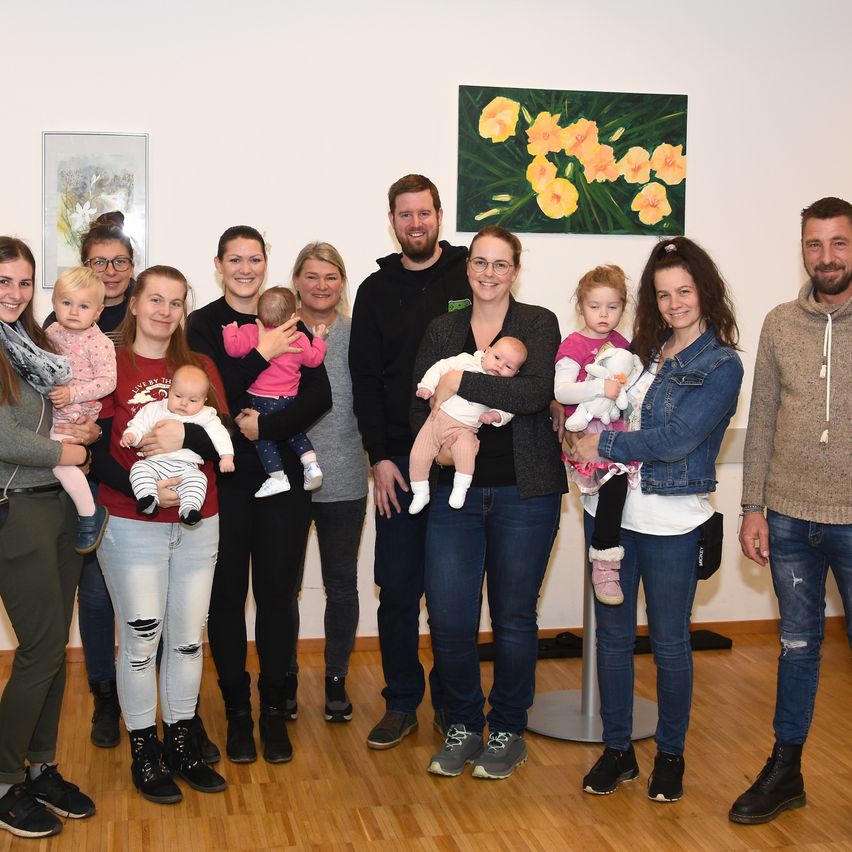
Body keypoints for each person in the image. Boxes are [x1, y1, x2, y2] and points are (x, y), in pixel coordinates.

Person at [571, 237, 742, 803]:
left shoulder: (721, 364)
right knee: (614, 643)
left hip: (674, 523)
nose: (674, 304)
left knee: (670, 645)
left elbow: (677, 440)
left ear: (705, 292)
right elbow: (602, 401)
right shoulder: (643, 351)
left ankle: (671, 756)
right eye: (664, 294)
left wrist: (605, 441)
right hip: (613, 517)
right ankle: (618, 751)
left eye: (684, 291)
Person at [415, 226, 566, 780]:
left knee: (513, 618)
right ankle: (461, 724)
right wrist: (440, 447)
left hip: (525, 494)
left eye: (500, 264)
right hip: (456, 495)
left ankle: (506, 729)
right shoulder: (442, 329)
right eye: (480, 262)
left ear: (515, 270)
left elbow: (533, 393)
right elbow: (420, 404)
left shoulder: (537, 323)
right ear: (468, 267)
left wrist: (462, 382)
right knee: (451, 618)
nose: (488, 273)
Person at [186, 226, 331, 764]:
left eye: (254, 259)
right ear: (218, 264)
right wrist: (261, 353)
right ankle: (238, 714)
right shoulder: (202, 325)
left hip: (281, 477)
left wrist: (264, 431)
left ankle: (274, 711)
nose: (245, 269)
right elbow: (205, 395)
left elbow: (319, 393)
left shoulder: (290, 316)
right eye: (234, 260)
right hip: (224, 478)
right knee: (225, 597)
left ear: (265, 264)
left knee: (275, 595)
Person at [729, 196, 852, 825]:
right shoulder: (779, 322)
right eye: (814, 244)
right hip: (790, 518)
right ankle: (786, 772)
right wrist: (752, 506)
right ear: (801, 248)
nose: (825, 257)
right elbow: (762, 422)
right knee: (797, 645)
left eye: (838, 243)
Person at [93, 265, 229, 804]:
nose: (164, 310)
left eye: (176, 302)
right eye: (155, 299)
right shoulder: (111, 363)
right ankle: (144, 748)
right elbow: (99, 448)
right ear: (133, 302)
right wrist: (142, 484)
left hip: (199, 521)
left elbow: (221, 441)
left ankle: (182, 740)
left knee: (190, 639)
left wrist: (187, 432)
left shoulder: (200, 366)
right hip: (132, 522)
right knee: (142, 640)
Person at [349, 173, 471, 749]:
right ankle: (401, 702)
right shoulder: (375, 289)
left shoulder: (471, 273)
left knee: (452, 593)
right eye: (405, 215)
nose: (415, 223)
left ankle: (453, 704)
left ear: (439, 215)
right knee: (397, 586)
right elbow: (365, 381)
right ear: (393, 221)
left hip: (462, 459)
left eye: (425, 213)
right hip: (400, 457)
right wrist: (379, 457)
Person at [0, 236, 97, 839]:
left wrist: (80, 424)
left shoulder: (30, 346)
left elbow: (57, 412)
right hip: (18, 512)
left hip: (57, 507)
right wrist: (71, 448)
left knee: (54, 652)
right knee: (37, 650)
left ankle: (39, 767)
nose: (13, 294)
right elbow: (6, 438)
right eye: (2, 282)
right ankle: (5, 779)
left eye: (22, 282)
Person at [42, 211, 137, 749]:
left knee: (135, 593)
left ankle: (142, 694)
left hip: (122, 469)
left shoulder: (146, 314)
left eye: (118, 261)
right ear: (84, 267)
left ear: (130, 266)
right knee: (95, 595)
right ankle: (105, 698)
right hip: (71, 468)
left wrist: (94, 423)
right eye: (99, 261)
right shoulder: (58, 323)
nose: (109, 269)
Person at [285, 242, 368, 723]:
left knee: (342, 586)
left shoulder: (359, 337)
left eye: (330, 276)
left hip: (345, 479)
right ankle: (287, 677)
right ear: (297, 281)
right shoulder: (278, 333)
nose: (320, 285)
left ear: (342, 283)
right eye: (311, 276)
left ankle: (335, 677)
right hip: (288, 481)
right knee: (285, 587)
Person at [554, 265, 635, 605]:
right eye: (595, 306)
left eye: (612, 307)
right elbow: (562, 391)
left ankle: (609, 555)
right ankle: (604, 560)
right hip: (584, 434)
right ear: (581, 306)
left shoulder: (623, 345)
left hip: (617, 433)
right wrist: (601, 387)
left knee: (619, 497)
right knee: (614, 490)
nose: (603, 314)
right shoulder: (574, 344)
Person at [222, 286, 327, 497]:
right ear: (293, 316)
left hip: (260, 399)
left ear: (259, 314)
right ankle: (312, 465)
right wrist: (319, 340)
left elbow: (233, 348)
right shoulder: (298, 336)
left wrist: (230, 330)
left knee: (262, 436)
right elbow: (314, 359)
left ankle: (277, 477)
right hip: (289, 398)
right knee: (295, 433)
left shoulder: (251, 331)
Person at [409, 336, 528, 514]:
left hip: (464, 429)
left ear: (515, 373)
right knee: (418, 455)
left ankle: (460, 489)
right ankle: (420, 493)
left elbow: (509, 410)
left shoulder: (502, 386)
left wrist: (495, 415)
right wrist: (427, 386)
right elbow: (440, 367)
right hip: (436, 419)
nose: (500, 366)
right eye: (497, 357)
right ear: (487, 350)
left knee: (465, 452)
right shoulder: (465, 360)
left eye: (509, 367)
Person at [45, 266, 115, 554]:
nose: (74, 312)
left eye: (83, 306)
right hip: (51, 408)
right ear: (54, 304)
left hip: (78, 412)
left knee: (58, 459)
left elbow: (108, 382)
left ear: (97, 311)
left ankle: (89, 514)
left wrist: (72, 393)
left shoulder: (98, 343)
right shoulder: (50, 331)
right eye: (66, 303)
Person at [121, 364, 234, 524]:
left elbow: (220, 435)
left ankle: (189, 509)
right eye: (178, 396)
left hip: (187, 468)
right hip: (155, 463)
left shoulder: (206, 415)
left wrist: (226, 457)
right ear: (169, 391)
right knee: (138, 469)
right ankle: (148, 498)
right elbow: (139, 425)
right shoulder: (154, 408)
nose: (184, 403)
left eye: (193, 400)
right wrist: (131, 435)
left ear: (204, 400)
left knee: (199, 480)